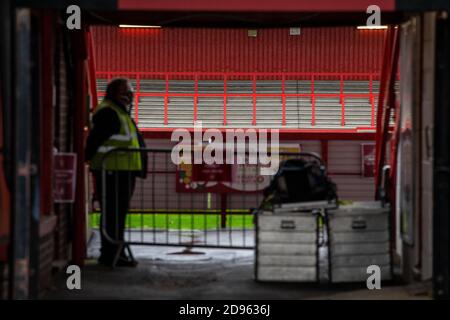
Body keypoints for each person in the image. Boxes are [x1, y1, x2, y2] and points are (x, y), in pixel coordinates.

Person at [85, 78, 146, 267]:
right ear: (114, 93)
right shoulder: (108, 112)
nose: (129, 96)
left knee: (117, 214)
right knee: (113, 214)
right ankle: (110, 254)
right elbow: (95, 141)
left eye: (130, 92)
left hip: (122, 171)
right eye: (125, 92)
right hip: (112, 171)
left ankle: (116, 252)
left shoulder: (119, 112)